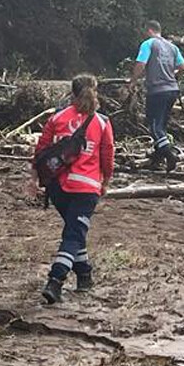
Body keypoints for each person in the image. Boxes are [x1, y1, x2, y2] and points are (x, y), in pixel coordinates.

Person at [32, 75, 115, 304]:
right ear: (95, 93)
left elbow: (41, 151)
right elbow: (107, 156)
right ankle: (55, 280)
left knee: (75, 230)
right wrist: (106, 181)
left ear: (72, 93)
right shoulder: (101, 123)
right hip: (86, 188)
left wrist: (35, 179)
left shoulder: (56, 118)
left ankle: (84, 274)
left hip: (57, 187)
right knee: (73, 234)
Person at [132, 21, 184, 171]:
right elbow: (183, 67)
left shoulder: (148, 44)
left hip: (157, 91)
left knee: (155, 127)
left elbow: (141, 64)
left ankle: (169, 155)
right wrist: (173, 77)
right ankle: (158, 157)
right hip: (172, 90)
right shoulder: (172, 47)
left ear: (149, 30)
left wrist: (133, 81)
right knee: (162, 125)